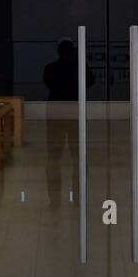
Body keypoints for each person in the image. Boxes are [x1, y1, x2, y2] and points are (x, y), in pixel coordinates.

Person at [42, 38, 90, 209]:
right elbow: (90, 81)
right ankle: (78, 199)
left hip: (56, 116)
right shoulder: (79, 68)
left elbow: (49, 83)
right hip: (75, 115)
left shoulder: (50, 68)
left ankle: (54, 200)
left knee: (54, 158)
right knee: (78, 158)